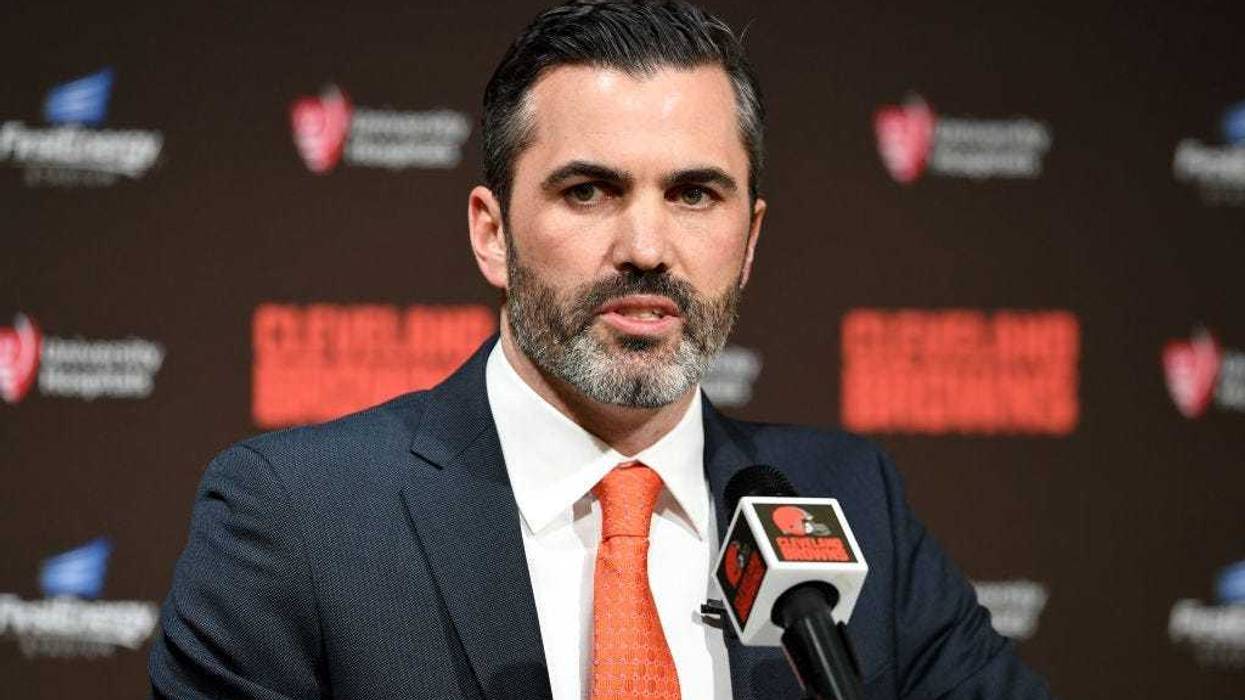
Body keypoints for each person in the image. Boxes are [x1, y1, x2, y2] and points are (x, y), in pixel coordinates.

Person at [150, 1, 1055, 698]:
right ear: (492, 233)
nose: (646, 248)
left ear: (748, 240)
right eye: (588, 191)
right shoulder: (300, 519)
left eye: (694, 194)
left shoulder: (851, 502)